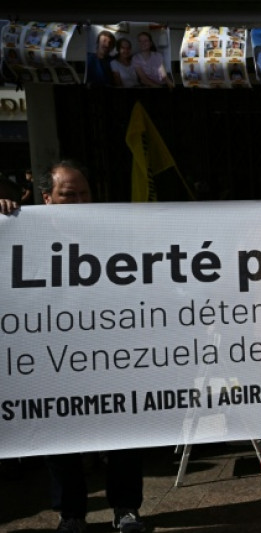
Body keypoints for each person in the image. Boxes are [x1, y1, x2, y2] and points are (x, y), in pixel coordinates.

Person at [1, 161, 147, 533]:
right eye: (69, 194)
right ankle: (71, 514)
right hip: (52, 354)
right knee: (58, 431)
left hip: (109, 351)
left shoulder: (114, 233)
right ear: (47, 198)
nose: (79, 200)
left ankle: (126, 508)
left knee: (124, 432)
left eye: (84, 193)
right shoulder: (18, 233)